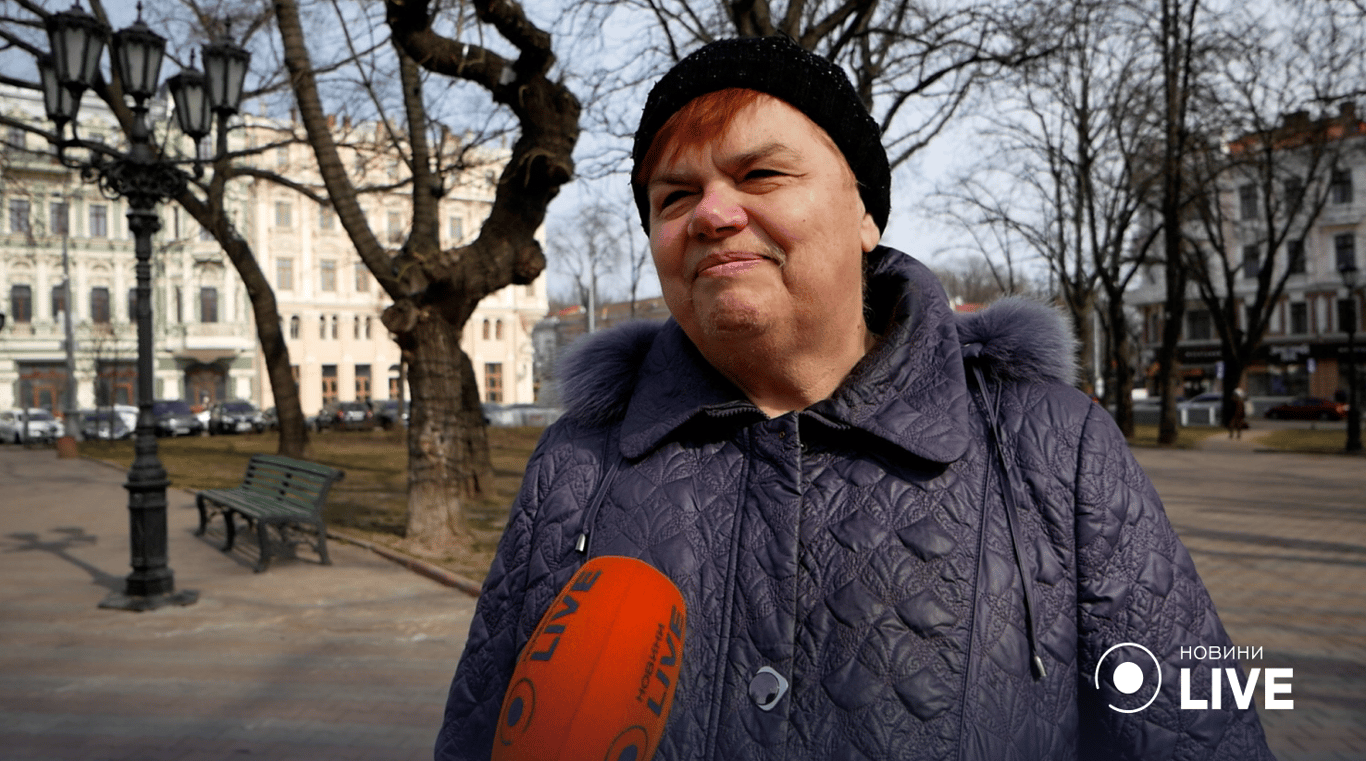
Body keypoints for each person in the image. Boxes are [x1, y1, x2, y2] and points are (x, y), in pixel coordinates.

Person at [435, 36, 1275, 761]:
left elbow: (1203, 730)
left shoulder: (1054, 447)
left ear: (865, 214)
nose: (711, 214)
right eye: (674, 196)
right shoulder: (577, 464)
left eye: (761, 173)